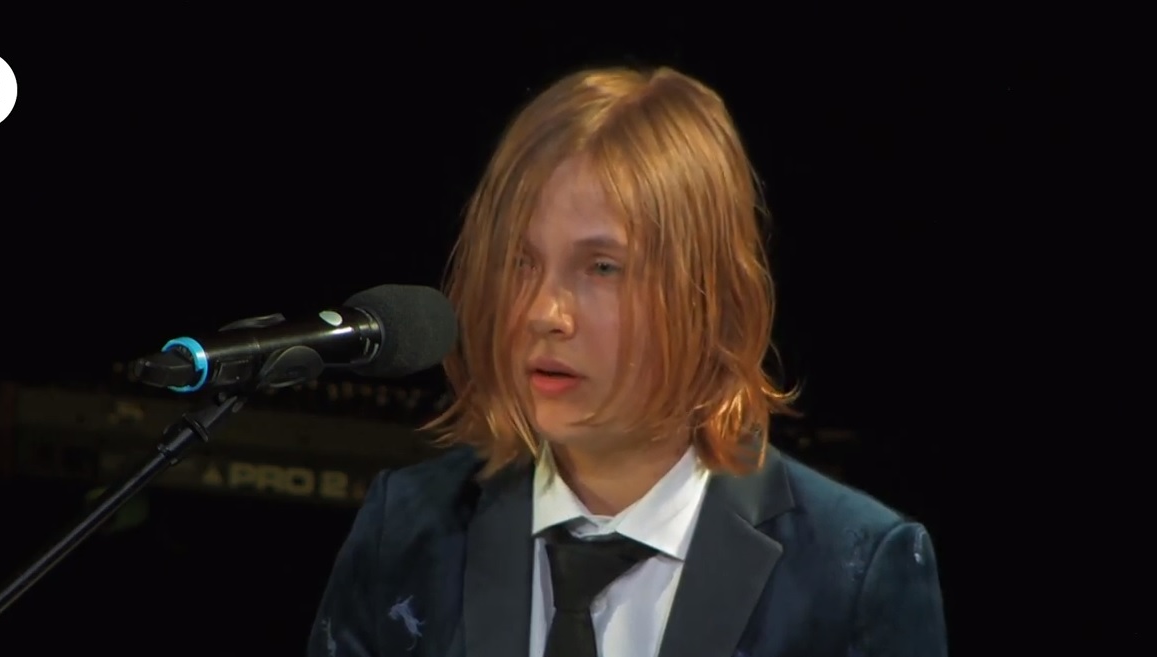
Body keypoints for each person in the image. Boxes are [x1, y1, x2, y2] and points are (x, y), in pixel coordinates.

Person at [308, 65, 947, 657]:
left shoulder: (853, 573)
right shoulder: (407, 532)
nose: (544, 313)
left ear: (707, 294)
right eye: (522, 263)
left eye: (602, 267)